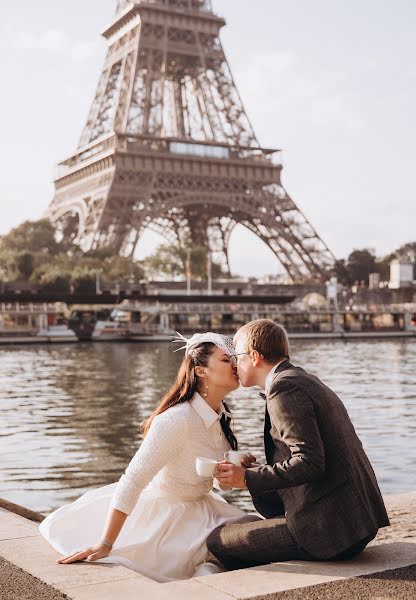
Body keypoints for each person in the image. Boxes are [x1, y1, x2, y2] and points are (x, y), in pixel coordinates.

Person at [39, 333, 253, 582]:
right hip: (166, 517)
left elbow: (215, 483)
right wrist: (105, 544)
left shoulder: (221, 417)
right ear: (201, 371)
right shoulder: (176, 419)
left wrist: (230, 474)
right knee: (212, 562)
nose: (236, 365)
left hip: (204, 508)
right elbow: (133, 480)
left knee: (252, 532)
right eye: (227, 360)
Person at [211, 319, 390, 569]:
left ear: (254, 357)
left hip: (332, 531)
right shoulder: (301, 379)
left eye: (237, 357)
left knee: (218, 541)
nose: (234, 364)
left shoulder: (284, 389)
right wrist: (253, 472)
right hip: (354, 521)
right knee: (246, 519)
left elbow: (310, 462)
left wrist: (246, 479)